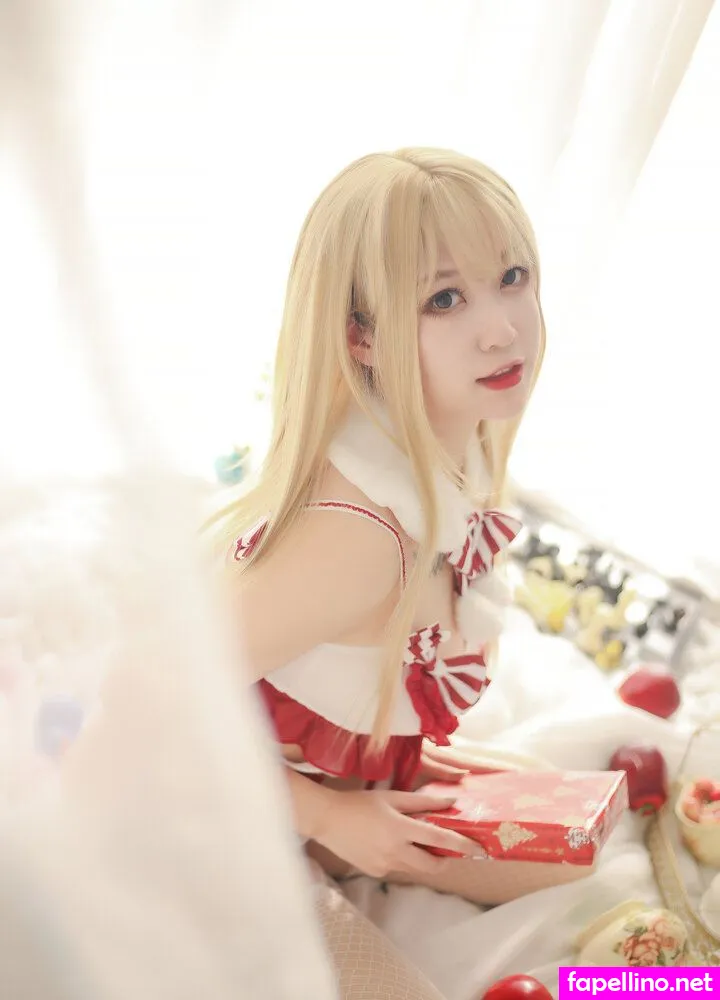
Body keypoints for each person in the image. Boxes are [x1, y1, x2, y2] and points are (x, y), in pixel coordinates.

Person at [210, 146, 546, 998]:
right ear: (360, 335)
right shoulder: (359, 538)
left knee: (580, 861)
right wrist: (327, 815)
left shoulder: (454, 442)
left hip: (327, 778)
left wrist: (374, 776)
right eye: (445, 299)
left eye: (512, 276)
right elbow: (148, 701)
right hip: (198, 807)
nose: (502, 328)